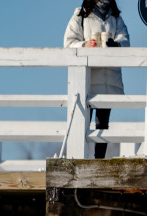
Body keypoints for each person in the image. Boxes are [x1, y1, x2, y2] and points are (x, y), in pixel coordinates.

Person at [63, 0, 129, 160]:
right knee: (83, 122)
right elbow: (68, 43)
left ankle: (99, 160)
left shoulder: (116, 17)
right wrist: (85, 45)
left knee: (103, 123)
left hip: (109, 78)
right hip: (88, 79)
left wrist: (116, 45)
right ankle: (81, 158)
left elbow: (126, 41)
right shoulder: (81, 15)